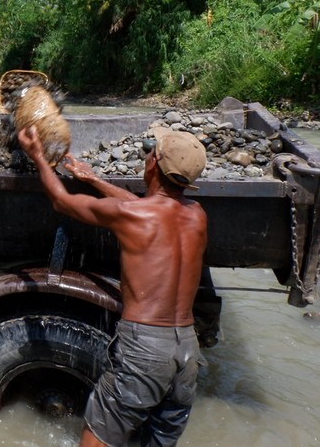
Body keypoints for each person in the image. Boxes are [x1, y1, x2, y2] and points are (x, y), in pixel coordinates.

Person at [18, 125, 208, 447]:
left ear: (153, 165)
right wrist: (93, 180)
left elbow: (62, 201)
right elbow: (146, 208)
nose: (147, 156)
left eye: (150, 151)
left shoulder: (133, 215)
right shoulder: (197, 215)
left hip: (146, 347)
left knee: (98, 439)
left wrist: (37, 155)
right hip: (187, 351)